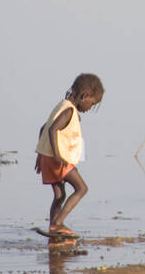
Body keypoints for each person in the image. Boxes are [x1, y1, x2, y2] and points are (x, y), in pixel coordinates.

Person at [34, 73, 104, 241]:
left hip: (48, 158)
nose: (90, 108)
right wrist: (58, 156)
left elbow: (43, 128)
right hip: (57, 160)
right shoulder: (69, 111)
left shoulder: (62, 106)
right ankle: (58, 223)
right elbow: (52, 130)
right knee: (81, 188)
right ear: (84, 96)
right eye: (92, 104)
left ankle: (53, 227)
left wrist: (40, 154)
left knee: (59, 195)